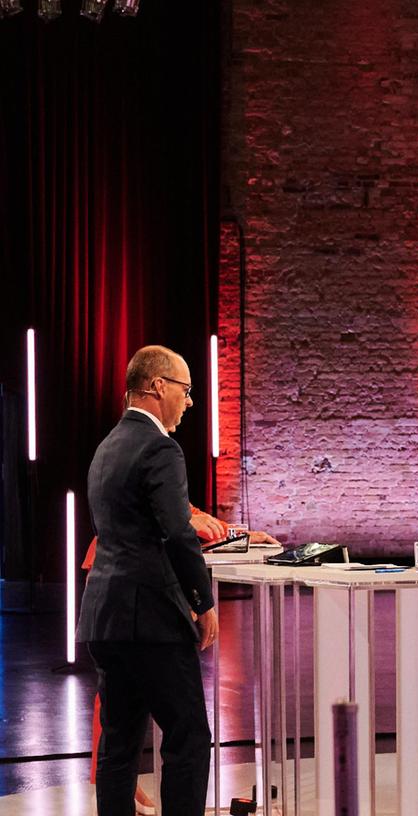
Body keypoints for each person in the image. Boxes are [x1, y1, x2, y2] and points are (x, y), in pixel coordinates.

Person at [78, 345, 218, 816]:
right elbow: (178, 531)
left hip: (103, 616)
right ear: (159, 387)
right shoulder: (161, 447)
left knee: (118, 743)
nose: (190, 401)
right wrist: (204, 601)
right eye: (186, 390)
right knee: (189, 737)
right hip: (152, 621)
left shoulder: (107, 446)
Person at [83, 506, 279, 816]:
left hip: (128, 580)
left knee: (122, 710)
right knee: (159, 721)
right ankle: (119, 790)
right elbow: (178, 519)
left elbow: (192, 515)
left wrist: (239, 534)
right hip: (134, 584)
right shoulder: (154, 460)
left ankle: (118, 792)